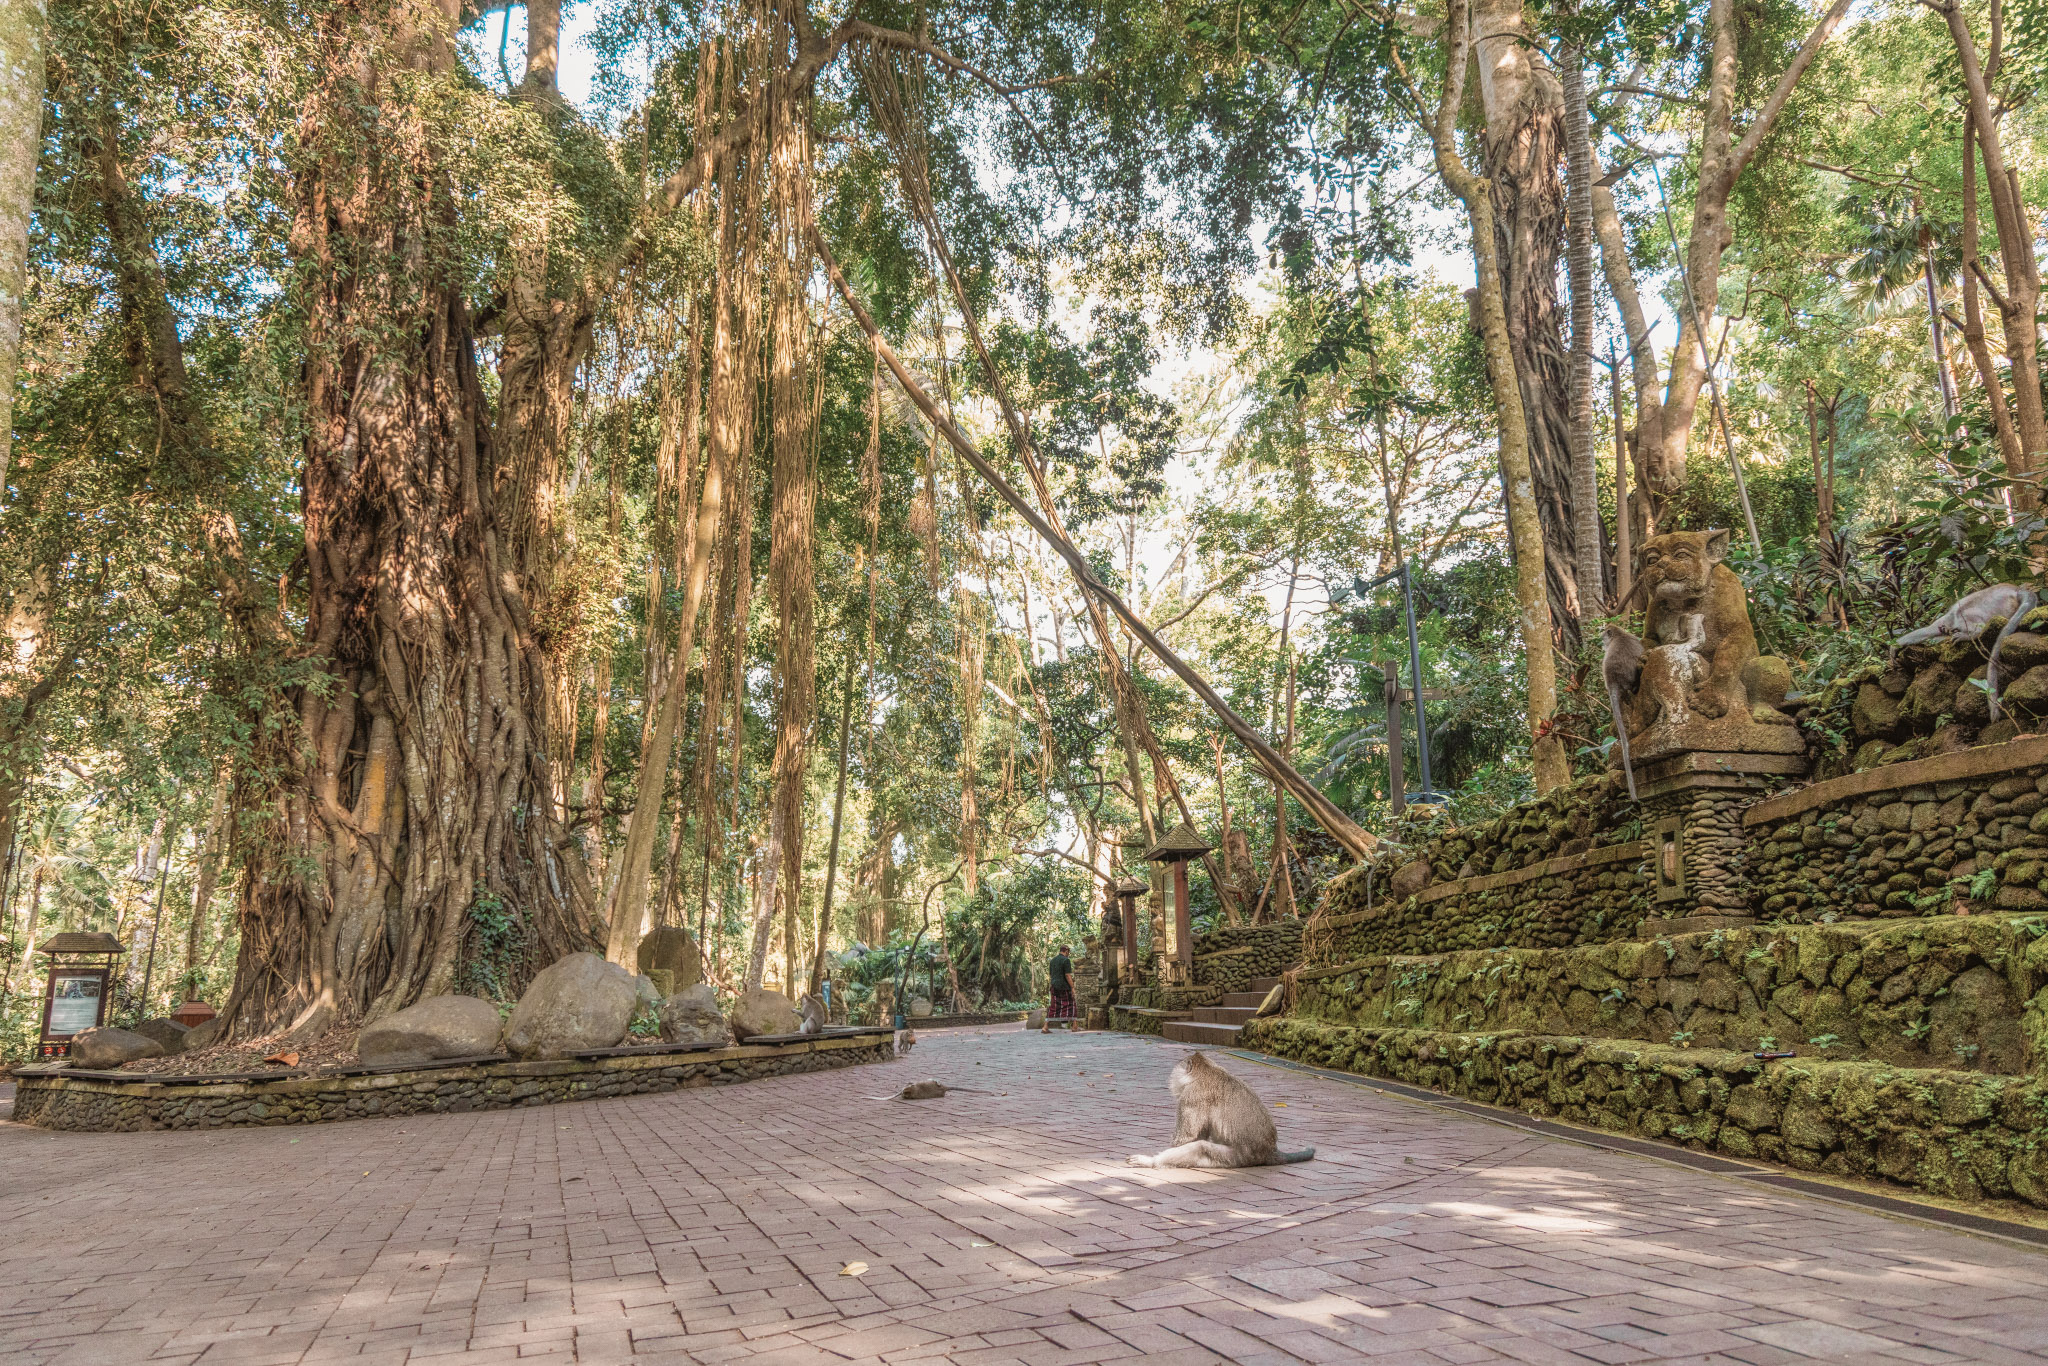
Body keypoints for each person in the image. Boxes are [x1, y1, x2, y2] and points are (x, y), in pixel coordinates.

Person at [1045, 945, 1075, 1031]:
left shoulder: (1052, 961)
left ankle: (1045, 1026)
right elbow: (1067, 975)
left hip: (1054, 986)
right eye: (1068, 952)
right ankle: (1074, 1026)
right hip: (1064, 987)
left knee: (1054, 1006)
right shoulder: (1066, 960)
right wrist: (1072, 987)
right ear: (1066, 951)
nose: (1068, 954)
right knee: (1071, 1004)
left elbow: (1051, 974)